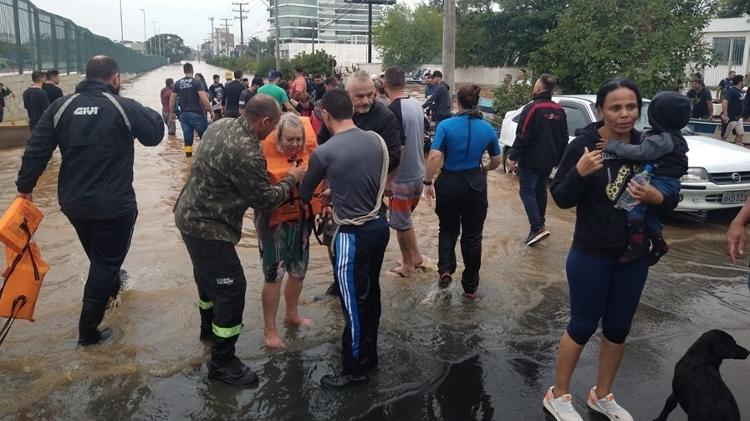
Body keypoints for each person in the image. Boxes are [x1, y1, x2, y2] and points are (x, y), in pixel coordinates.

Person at [543, 79, 677, 421]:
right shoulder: (586, 145)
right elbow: (560, 198)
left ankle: (601, 395)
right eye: (616, 108)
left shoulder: (649, 145)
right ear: (601, 109)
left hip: (633, 255)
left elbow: (669, 200)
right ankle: (557, 395)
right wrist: (580, 171)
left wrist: (658, 198)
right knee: (583, 325)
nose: (624, 115)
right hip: (591, 252)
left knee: (618, 328)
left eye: (631, 107)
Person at [15, 55, 164, 346]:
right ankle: (88, 332)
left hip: (73, 204)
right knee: (105, 263)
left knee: (101, 260)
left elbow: (36, 149)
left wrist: (25, 189)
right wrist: (153, 114)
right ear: (116, 78)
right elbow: (155, 135)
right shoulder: (122, 106)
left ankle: (113, 288)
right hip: (114, 206)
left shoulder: (61, 106)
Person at [174, 94, 306, 387]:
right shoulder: (247, 151)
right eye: (271, 129)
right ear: (265, 121)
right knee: (232, 289)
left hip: (187, 215)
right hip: (209, 227)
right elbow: (264, 199)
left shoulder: (220, 125)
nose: (271, 135)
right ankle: (222, 363)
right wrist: (292, 178)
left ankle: (207, 332)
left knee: (207, 281)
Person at [299, 89, 391, 389]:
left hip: (351, 236)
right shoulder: (376, 140)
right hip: (379, 226)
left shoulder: (325, 151)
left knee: (352, 303)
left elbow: (304, 192)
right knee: (370, 295)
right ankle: (370, 355)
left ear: (325, 115)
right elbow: (366, 177)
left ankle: (353, 369)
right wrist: (336, 190)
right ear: (351, 110)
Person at [318, 70, 402, 296]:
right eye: (359, 96)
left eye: (369, 95)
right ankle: (339, 281)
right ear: (347, 94)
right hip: (337, 189)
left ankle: (365, 286)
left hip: (369, 192)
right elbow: (321, 148)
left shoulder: (384, 117)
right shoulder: (335, 113)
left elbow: (394, 156)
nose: (366, 100)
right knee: (333, 237)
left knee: (368, 242)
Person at [423, 85, 501, 297]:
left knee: (447, 229)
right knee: (473, 236)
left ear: (458, 102)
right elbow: (496, 160)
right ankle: (470, 287)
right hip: (475, 184)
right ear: (476, 102)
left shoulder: (445, 125)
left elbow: (433, 156)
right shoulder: (487, 129)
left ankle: (446, 270)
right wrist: (483, 169)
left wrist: (427, 182)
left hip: (448, 182)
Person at [602, 91, 690, 265]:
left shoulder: (661, 139)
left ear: (657, 116)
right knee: (649, 215)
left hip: (661, 181)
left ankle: (635, 244)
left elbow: (639, 152)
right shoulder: (672, 136)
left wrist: (613, 145)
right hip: (669, 182)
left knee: (633, 207)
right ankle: (658, 243)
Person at [257, 113, 320, 348]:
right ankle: (270, 330)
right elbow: (259, 196)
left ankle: (291, 314)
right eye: (289, 140)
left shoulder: (308, 155)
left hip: (301, 221)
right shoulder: (262, 157)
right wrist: (291, 179)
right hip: (274, 225)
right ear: (278, 137)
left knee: (298, 271)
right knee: (274, 275)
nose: (294, 144)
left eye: (298, 140)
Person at [506, 74, 569, 246]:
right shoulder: (560, 110)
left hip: (531, 159)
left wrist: (512, 156)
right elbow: (564, 137)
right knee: (540, 190)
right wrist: (560, 158)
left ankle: (537, 227)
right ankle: (540, 226)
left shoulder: (533, 108)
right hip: (549, 161)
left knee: (526, 192)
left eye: (535, 85)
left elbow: (523, 134)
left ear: (539, 88)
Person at [383, 66, 426, 277]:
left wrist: (389, 179)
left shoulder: (392, 110)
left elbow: (398, 148)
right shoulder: (416, 105)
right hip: (419, 173)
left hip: (402, 177)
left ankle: (407, 266)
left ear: (385, 84)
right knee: (406, 221)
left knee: (400, 224)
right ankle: (416, 256)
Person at [169, 62, 213, 157]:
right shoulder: (197, 82)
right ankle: (205, 157)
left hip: (184, 116)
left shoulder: (178, 83)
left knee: (188, 140)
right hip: (197, 114)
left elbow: (172, 100)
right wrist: (211, 111)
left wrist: (172, 113)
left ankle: (188, 158)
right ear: (192, 71)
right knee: (205, 137)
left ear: (184, 71)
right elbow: (204, 98)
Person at [721, 74, 744, 146]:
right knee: (724, 136)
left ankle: (737, 146)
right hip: (731, 117)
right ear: (740, 82)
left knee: (740, 134)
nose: (744, 82)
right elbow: (725, 101)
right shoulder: (732, 91)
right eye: (743, 81)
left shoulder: (740, 91)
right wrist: (725, 114)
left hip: (738, 118)